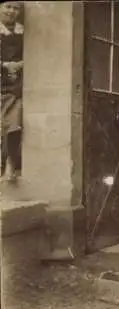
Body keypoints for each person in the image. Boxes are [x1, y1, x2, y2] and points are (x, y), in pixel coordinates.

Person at [0, 1, 23, 183]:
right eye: (8, 6)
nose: (11, 11)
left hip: (14, 88)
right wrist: (5, 66)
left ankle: (10, 165)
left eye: (16, 8)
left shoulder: (22, 33)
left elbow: (32, 55)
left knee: (13, 126)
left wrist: (19, 65)